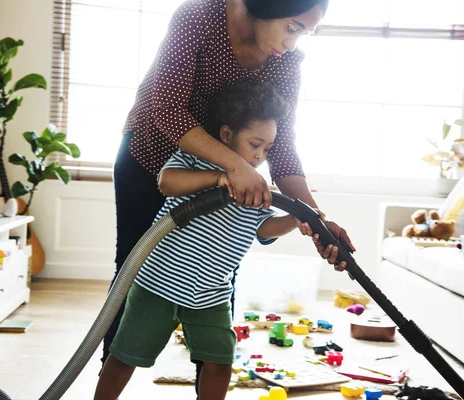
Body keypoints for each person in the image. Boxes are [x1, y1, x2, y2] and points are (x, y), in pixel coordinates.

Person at [104, 0, 357, 393]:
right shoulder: (199, 18)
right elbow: (167, 108)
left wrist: (316, 219)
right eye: (292, 27)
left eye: (304, 33)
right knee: (133, 274)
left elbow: (283, 146)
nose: (293, 43)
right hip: (153, 154)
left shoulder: (286, 63)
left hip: (233, 168)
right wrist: (234, 170)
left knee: (219, 275)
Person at [96, 80, 322, 400]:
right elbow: (167, 182)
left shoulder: (257, 186)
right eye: (254, 144)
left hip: (211, 294)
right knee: (125, 357)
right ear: (227, 135)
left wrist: (294, 219)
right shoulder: (196, 161)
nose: (259, 156)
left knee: (219, 363)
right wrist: (221, 178)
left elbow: (262, 229)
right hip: (158, 285)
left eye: (266, 150)